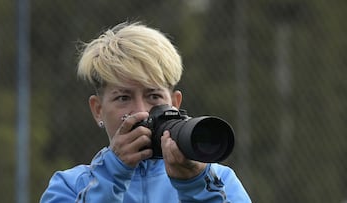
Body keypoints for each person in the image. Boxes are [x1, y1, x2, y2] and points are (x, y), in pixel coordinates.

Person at [40, 21, 251, 203]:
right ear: (98, 110)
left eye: (154, 97)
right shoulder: (69, 186)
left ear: (175, 104)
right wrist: (112, 172)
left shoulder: (218, 180)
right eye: (123, 97)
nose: (141, 112)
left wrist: (196, 186)